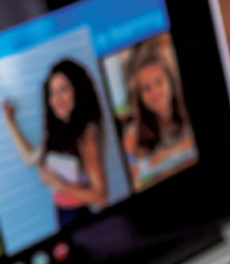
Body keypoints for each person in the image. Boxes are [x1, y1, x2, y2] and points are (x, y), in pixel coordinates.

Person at [2, 58, 108, 226]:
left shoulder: (86, 135)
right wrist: (10, 122)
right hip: (62, 213)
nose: (56, 99)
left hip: (79, 216)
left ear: (77, 90)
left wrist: (58, 183)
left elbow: (101, 197)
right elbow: (30, 158)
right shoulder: (57, 131)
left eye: (63, 90)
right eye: (52, 92)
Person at [120, 41, 195, 186]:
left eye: (159, 82)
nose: (155, 93)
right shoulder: (132, 136)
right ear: (140, 96)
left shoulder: (186, 111)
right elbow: (133, 179)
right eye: (146, 88)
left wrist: (168, 154)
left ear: (170, 81)